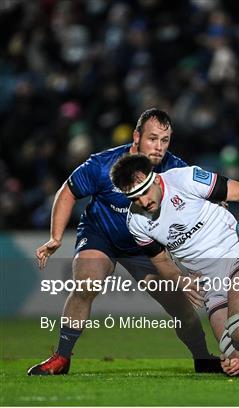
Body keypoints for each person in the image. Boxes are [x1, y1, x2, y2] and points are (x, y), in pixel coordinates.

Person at [28, 109, 219, 376]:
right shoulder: (103, 164)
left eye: (165, 140)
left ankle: (202, 358)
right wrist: (55, 237)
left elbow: (199, 196)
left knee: (180, 306)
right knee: (86, 283)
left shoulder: (175, 168)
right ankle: (61, 357)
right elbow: (68, 191)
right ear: (137, 136)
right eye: (153, 138)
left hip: (145, 247)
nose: (159, 147)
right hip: (101, 236)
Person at [109, 154, 239, 376]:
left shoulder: (185, 179)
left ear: (155, 179)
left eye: (144, 191)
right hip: (211, 285)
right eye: (134, 198)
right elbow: (161, 260)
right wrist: (179, 279)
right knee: (238, 360)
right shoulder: (136, 222)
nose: (143, 202)